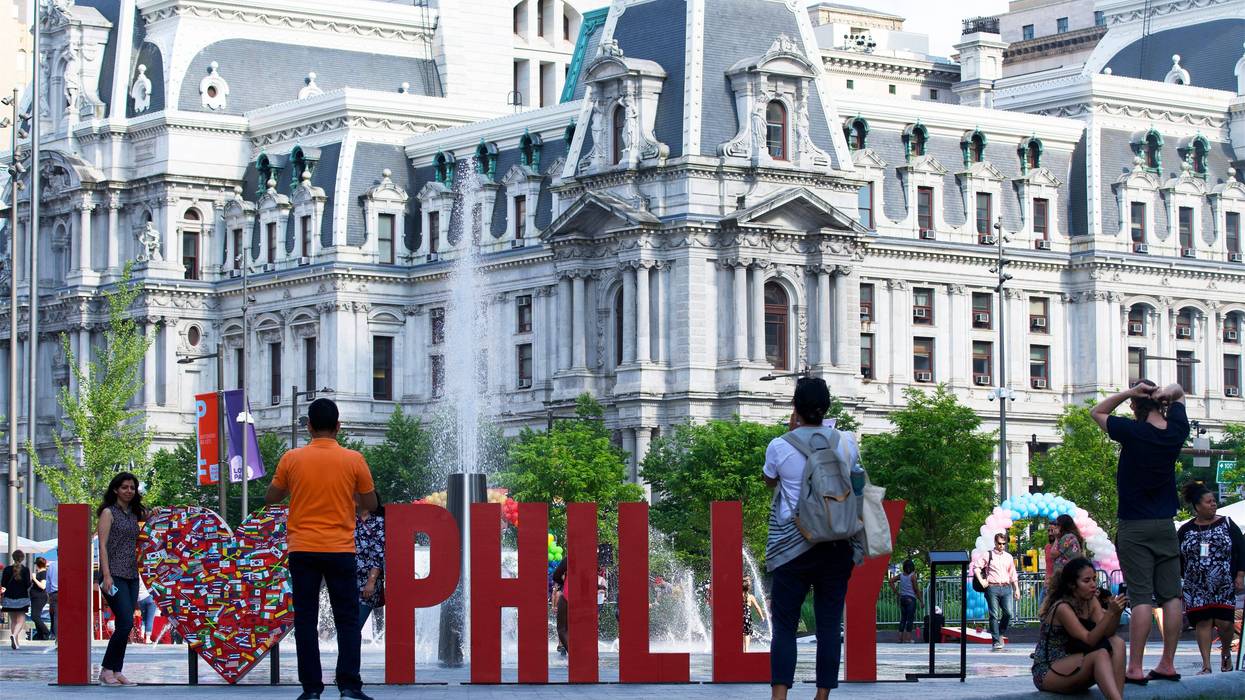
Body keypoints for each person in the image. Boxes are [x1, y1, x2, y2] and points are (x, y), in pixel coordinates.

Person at [266, 398, 377, 700]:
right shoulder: (354, 459)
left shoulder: (291, 458)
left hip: (302, 549)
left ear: (309, 427)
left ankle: (312, 690)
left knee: (305, 620)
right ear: (339, 427)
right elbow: (371, 504)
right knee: (348, 619)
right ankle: (349, 686)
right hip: (341, 549)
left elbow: (272, 496)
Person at [764, 377, 861, 700]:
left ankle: (779, 696)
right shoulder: (846, 442)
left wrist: (792, 429)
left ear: (796, 408)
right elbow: (858, 484)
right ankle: (822, 696)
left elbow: (769, 480)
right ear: (827, 408)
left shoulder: (780, 445)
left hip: (792, 546)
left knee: (785, 627)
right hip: (836, 544)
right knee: (830, 625)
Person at [1091, 379, 1188, 683]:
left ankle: (1134, 667)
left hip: (1134, 524)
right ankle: (1168, 663)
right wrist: (1163, 395)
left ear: (1135, 406)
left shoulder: (1134, 432)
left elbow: (1097, 412)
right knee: (1171, 595)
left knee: (1142, 596)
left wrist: (1128, 393)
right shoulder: (1176, 431)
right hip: (1165, 524)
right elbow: (1179, 391)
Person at [1031, 557, 1127, 700]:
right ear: (1072, 585)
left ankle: (1117, 697)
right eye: (1086, 581)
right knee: (1100, 654)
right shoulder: (1063, 607)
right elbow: (1089, 640)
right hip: (1049, 670)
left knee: (1118, 643)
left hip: (1075, 660)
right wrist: (1110, 613)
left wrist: (1117, 613)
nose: (1093, 585)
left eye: (1094, 579)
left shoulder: (1091, 601)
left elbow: (1107, 633)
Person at [1176, 481, 1245, 674]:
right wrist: (1182, 578)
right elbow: (1177, 556)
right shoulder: (1185, 530)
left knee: (1225, 623)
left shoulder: (1228, 524)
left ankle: (1225, 654)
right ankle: (1206, 665)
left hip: (1223, 584)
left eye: (1214, 501)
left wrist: (1240, 575)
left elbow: (1241, 550)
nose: (1213, 504)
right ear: (1197, 506)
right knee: (1202, 622)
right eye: (1208, 502)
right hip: (1195, 586)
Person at [96, 471, 147, 686]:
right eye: (124, 487)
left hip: (131, 575)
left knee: (125, 623)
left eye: (132, 488)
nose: (129, 491)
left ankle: (117, 671)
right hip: (113, 574)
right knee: (125, 622)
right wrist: (106, 575)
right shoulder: (109, 513)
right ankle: (107, 669)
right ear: (116, 489)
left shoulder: (135, 515)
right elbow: (102, 545)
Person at [973, 532, 1020, 651]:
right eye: (999, 543)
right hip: (992, 587)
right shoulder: (988, 554)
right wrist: (982, 581)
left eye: (1004, 544)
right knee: (993, 614)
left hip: (1006, 587)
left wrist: (1017, 589)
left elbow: (1013, 574)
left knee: (1008, 613)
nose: (1001, 546)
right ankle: (995, 641)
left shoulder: (1008, 557)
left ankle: (1000, 633)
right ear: (995, 542)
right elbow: (976, 568)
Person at [2, 549, 32, 649]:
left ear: (13, 557)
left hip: (9, 597)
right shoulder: (25, 570)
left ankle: (16, 642)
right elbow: (28, 584)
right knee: (21, 621)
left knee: (13, 621)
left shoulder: (6, 569)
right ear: (22, 558)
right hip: (22, 598)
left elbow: (3, 584)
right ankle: (14, 636)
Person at [890, 559, 922, 643]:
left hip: (903, 599)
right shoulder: (912, 576)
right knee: (910, 619)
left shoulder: (901, 575)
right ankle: (908, 639)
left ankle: (900, 639)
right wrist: (921, 601)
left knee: (903, 618)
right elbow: (916, 589)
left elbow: (890, 581)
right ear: (912, 567)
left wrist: (897, 593)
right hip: (911, 599)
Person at [28, 557, 52, 641]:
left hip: (40, 597)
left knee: (34, 616)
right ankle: (40, 634)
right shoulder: (40, 573)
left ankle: (46, 632)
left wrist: (34, 578)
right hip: (35, 597)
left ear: (38, 565)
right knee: (36, 616)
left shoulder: (43, 573)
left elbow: (43, 586)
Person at [551, 559, 569, 657]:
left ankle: (575, 655)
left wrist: (564, 581)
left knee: (562, 629)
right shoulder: (589, 558)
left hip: (568, 595)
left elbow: (556, 576)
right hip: (585, 596)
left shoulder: (568, 559)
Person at [743, 578, 766, 651]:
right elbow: (757, 607)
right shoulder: (751, 597)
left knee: (742, 632)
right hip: (747, 617)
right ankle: (746, 649)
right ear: (748, 588)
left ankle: (743, 649)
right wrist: (762, 616)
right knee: (747, 633)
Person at [137, 578, 157, 644]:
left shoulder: (137, 575)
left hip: (140, 599)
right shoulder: (147, 574)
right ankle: (148, 639)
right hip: (150, 597)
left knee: (144, 618)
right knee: (150, 619)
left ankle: (142, 636)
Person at [46, 558, 57, 641]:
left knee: (56, 617)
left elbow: (48, 582)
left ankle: (57, 638)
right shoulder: (70, 564)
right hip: (68, 593)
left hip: (55, 593)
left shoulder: (52, 565)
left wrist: (49, 593)